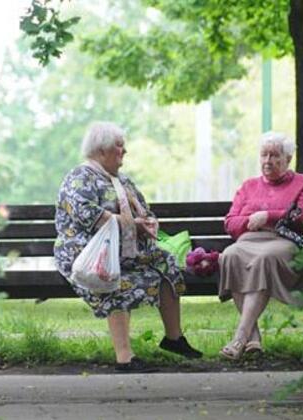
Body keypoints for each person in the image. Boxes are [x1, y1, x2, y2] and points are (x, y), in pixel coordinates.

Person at [54, 121, 202, 372]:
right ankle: (125, 356)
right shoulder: (80, 177)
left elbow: (144, 210)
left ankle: (174, 338)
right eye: (119, 147)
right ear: (102, 151)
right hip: (88, 254)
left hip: (123, 250)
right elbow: (87, 215)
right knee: (116, 280)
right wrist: (132, 224)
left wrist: (147, 222)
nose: (125, 152)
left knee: (166, 263)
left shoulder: (122, 180)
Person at [218, 131, 303, 360]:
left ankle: (240, 337)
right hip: (248, 241)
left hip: (283, 241)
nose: (268, 161)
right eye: (264, 155)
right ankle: (253, 339)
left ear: (288, 159)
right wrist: (249, 221)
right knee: (230, 256)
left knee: (264, 260)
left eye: (274, 156)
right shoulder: (248, 186)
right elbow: (230, 223)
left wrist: (268, 216)